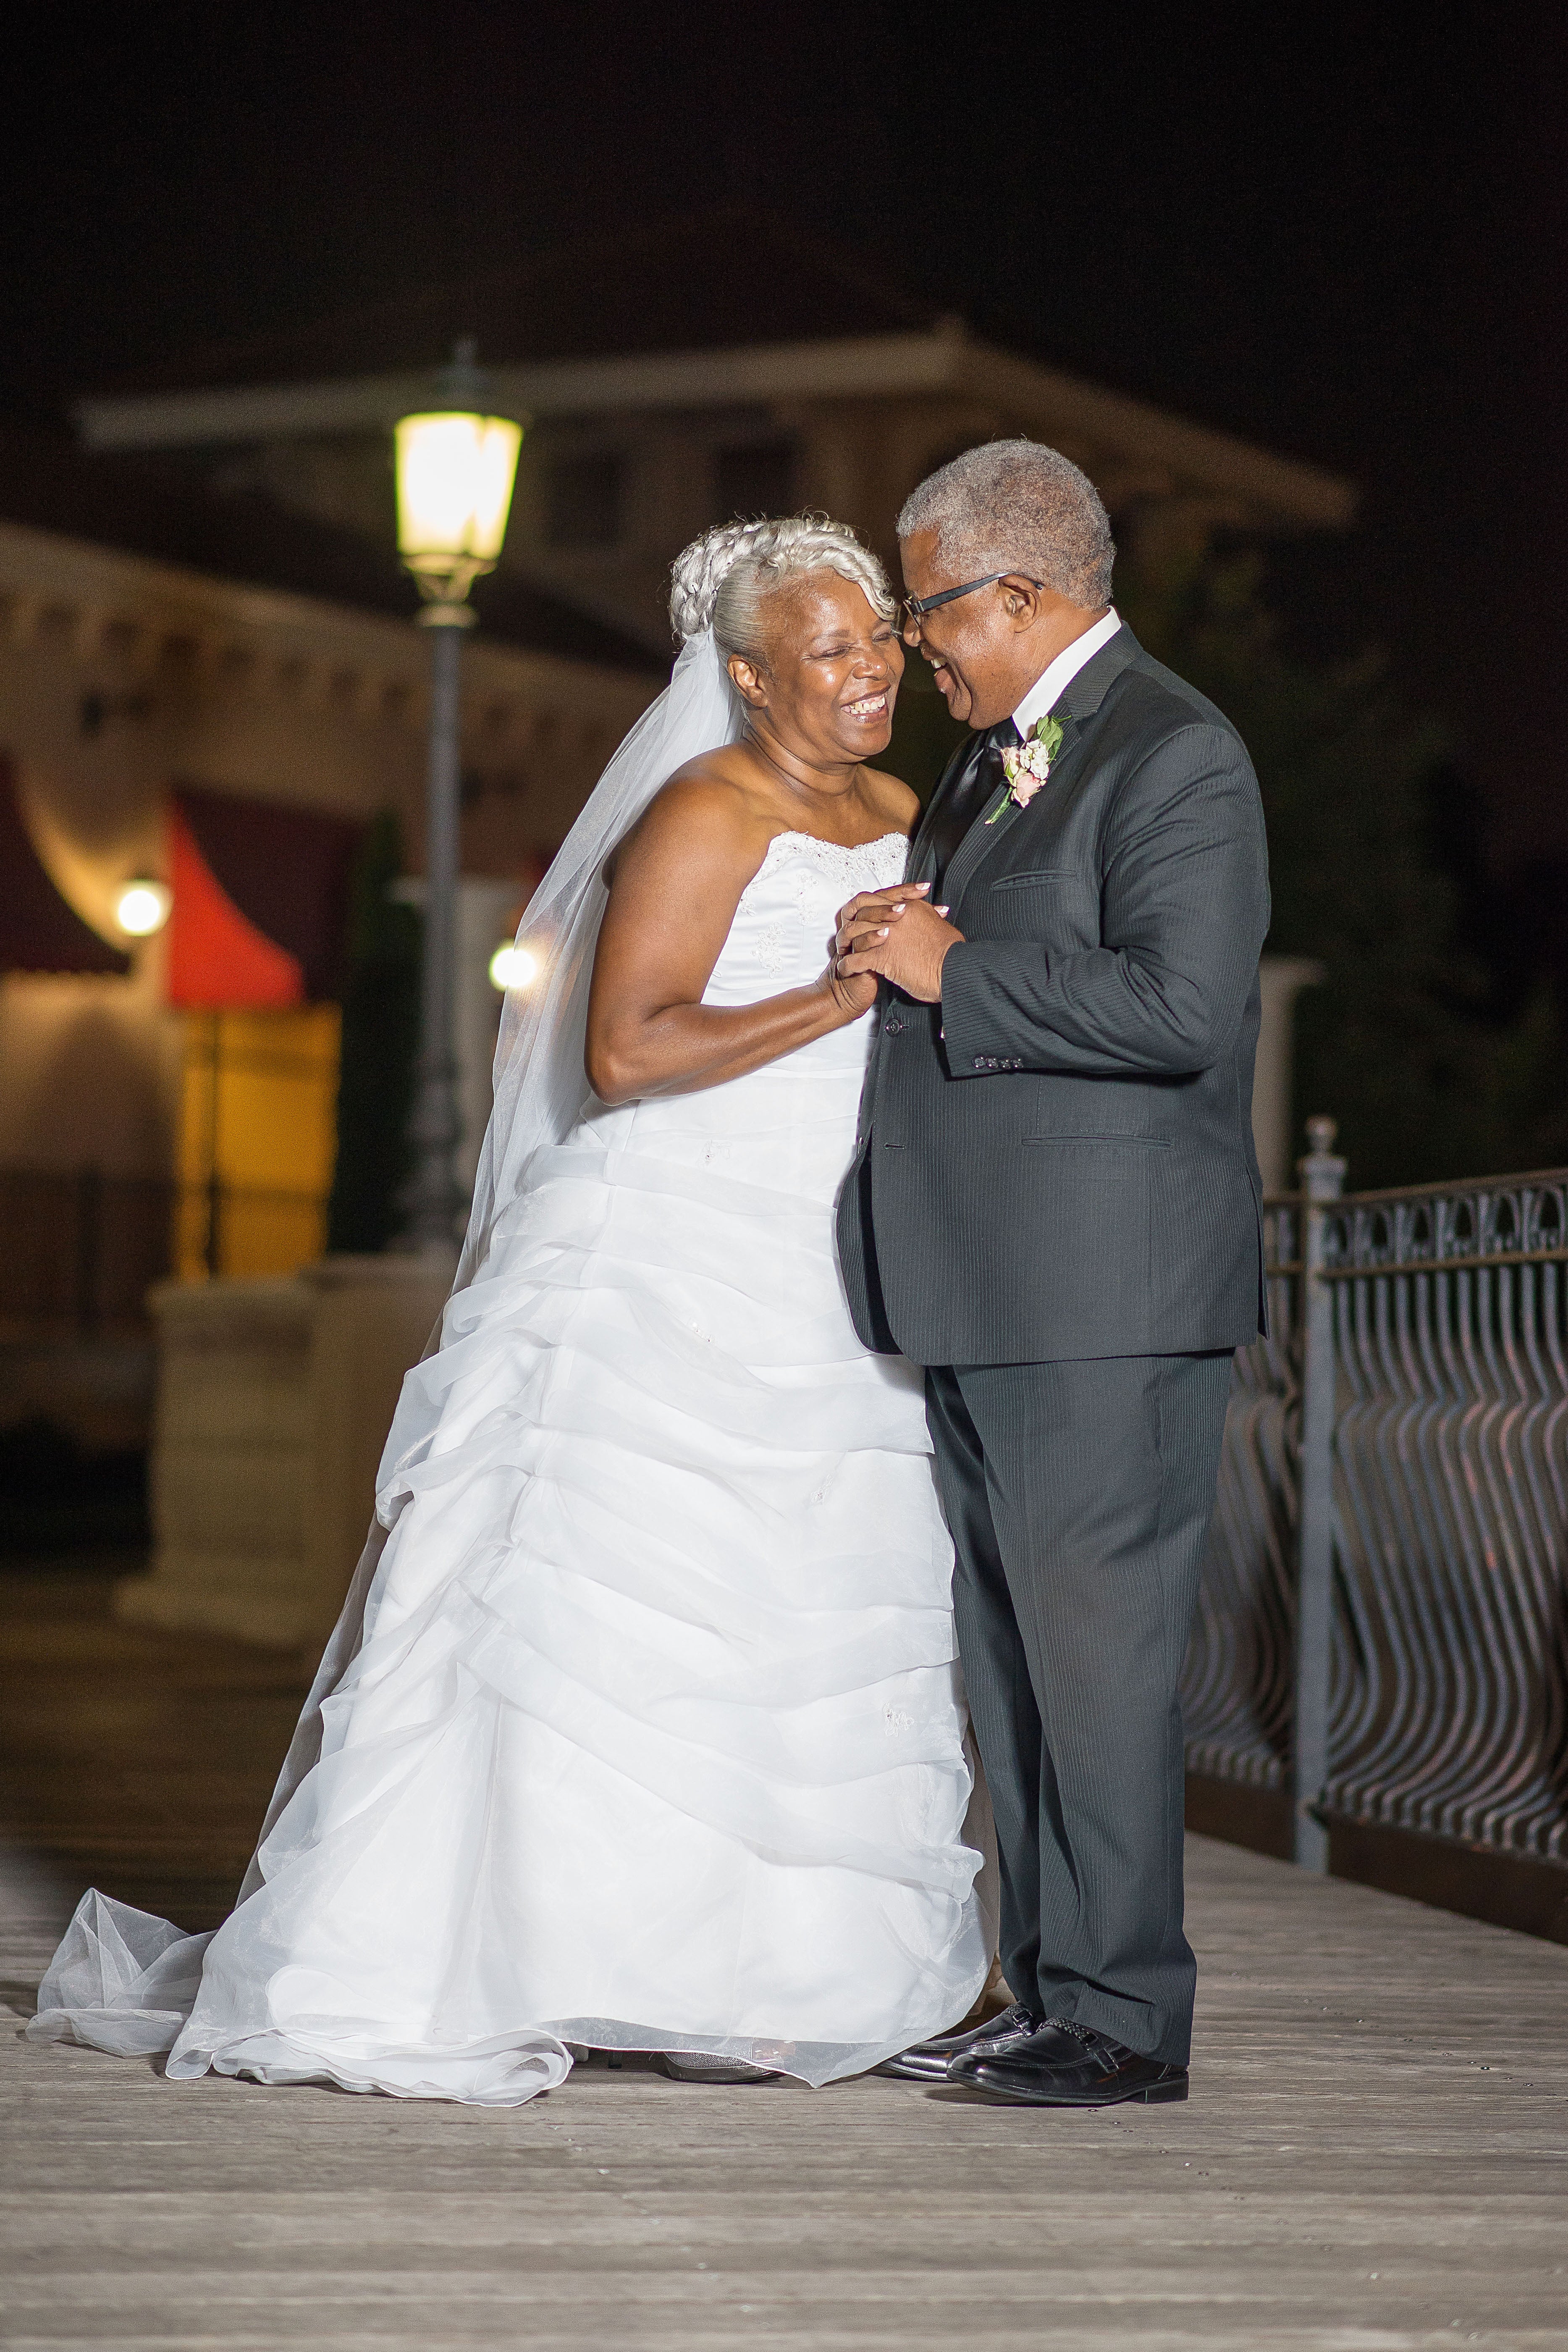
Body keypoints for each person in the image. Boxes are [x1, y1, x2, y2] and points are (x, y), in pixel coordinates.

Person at [28, 515, 991, 2103]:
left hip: (834, 1255)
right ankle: (541, 1947)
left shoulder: (900, 806)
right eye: (834, 649)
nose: (876, 668)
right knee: (607, 1605)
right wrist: (843, 992)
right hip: (676, 1245)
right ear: (748, 678)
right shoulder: (702, 809)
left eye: (880, 638)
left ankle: (766, 1973)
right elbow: (625, 1053)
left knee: (805, 1592)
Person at [834, 441, 1270, 2108]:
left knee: (1098, 1667)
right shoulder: (985, 763)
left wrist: (957, 967)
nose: (914, 644)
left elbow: (1179, 1012)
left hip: (1105, 1302)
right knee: (1011, 1662)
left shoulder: (1176, 753)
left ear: (1021, 593)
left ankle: (1125, 2018)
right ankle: (1046, 1988)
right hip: (985, 1288)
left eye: (931, 607)